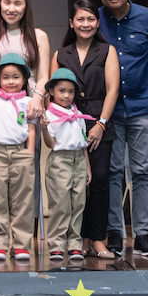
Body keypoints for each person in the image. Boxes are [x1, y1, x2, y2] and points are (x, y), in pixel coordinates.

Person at [96, 0, 148, 256]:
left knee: (141, 172)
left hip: (143, 106)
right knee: (112, 172)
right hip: (109, 110)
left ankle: (142, 234)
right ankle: (115, 232)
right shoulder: (96, 19)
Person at [0, 0, 52, 257]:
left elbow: (43, 75)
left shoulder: (38, 36)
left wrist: (38, 96)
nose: (11, 8)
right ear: (0, 4)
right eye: (7, 2)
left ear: (25, 7)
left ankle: (22, 241)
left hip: (26, 109)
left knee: (23, 186)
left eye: (17, 3)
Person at [54, 0, 120, 258]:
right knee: (73, 183)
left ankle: (98, 239)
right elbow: (53, 91)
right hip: (68, 123)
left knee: (100, 180)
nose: (85, 24)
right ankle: (77, 239)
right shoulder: (61, 54)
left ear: (97, 22)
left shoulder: (107, 51)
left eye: (90, 19)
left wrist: (101, 124)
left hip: (97, 121)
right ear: (71, 22)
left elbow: (113, 89)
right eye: (80, 19)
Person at [0, 53, 38, 261]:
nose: (10, 82)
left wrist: (29, 153)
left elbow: (31, 129)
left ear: (24, 80)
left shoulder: (29, 102)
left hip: (20, 152)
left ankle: (21, 244)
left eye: (16, 77)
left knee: (23, 200)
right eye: (5, 77)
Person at [39, 69, 93, 262]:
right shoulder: (50, 115)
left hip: (78, 159)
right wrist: (44, 128)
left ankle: (75, 245)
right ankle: (56, 245)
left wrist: (87, 166)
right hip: (60, 160)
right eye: (62, 91)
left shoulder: (78, 115)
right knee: (60, 204)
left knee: (78, 204)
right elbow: (51, 144)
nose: (67, 95)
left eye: (71, 91)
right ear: (52, 91)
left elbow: (83, 143)